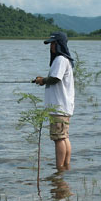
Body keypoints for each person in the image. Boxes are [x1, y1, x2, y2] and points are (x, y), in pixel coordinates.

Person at [34, 32, 75, 171]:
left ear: (59, 44)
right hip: (64, 106)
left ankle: (59, 169)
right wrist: (42, 79)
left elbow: (55, 78)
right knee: (64, 137)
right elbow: (55, 77)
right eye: (50, 43)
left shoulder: (60, 59)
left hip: (58, 107)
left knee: (58, 139)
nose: (51, 46)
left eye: (53, 43)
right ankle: (65, 167)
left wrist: (43, 80)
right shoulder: (64, 60)